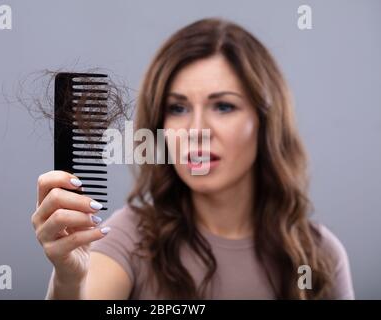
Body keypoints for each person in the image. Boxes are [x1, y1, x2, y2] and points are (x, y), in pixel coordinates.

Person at [31, 17, 354, 299]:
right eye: (178, 108)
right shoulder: (131, 238)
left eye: (223, 106)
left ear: (265, 122)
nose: (196, 130)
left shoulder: (320, 254)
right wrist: (68, 282)